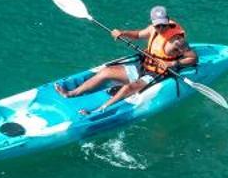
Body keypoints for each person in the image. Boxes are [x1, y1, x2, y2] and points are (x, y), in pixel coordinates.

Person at [56, 6, 199, 116]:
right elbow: (138, 34)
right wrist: (122, 33)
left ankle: (98, 111)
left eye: (163, 24)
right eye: (157, 25)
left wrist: (172, 64)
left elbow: (193, 58)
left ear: (167, 20)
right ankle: (72, 93)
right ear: (153, 23)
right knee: (106, 72)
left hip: (159, 74)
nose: (160, 28)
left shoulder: (177, 41)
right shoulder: (153, 29)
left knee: (127, 88)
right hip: (144, 65)